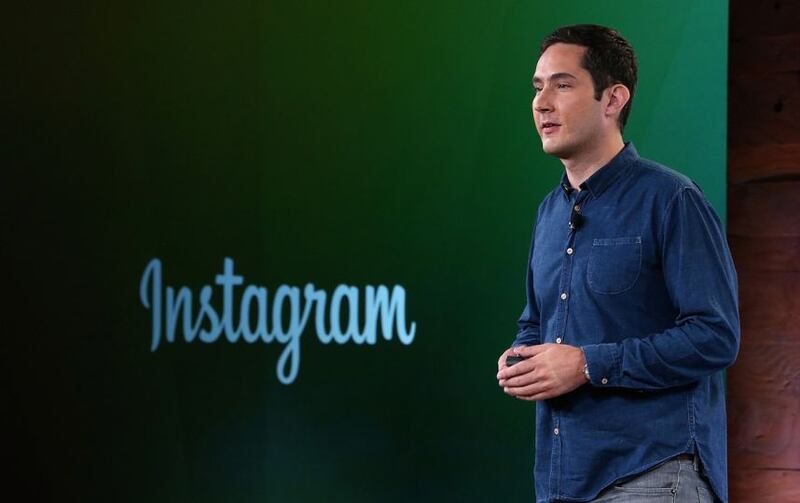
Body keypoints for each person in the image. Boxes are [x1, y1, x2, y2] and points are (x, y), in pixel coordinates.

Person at [495, 24, 739, 503]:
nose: (541, 103)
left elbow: (715, 335)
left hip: (653, 472)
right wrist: (522, 358)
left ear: (613, 100)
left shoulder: (671, 198)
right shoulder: (549, 213)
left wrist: (588, 364)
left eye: (562, 85)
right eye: (537, 87)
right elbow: (536, 323)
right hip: (564, 481)